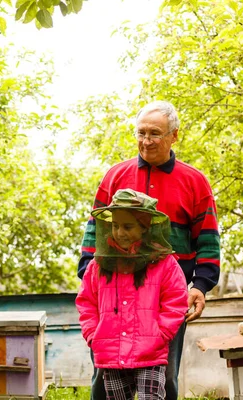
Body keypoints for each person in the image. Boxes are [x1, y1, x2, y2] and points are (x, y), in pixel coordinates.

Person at [78, 100, 221, 400]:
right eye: (141, 133)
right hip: (113, 292)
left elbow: (207, 237)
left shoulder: (195, 181)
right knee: (103, 373)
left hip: (167, 293)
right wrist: (88, 273)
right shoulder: (115, 176)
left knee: (164, 374)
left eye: (154, 133)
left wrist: (201, 284)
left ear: (174, 136)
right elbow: (96, 229)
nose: (146, 141)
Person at [76, 188, 187, 400]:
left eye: (128, 226)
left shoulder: (165, 264)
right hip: (110, 352)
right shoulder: (97, 265)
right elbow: (86, 302)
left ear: (144, 227)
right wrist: (93, 334)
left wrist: (160, 334)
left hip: (150, 353)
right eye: (115, 225)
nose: (119, 232)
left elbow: (176, 302)